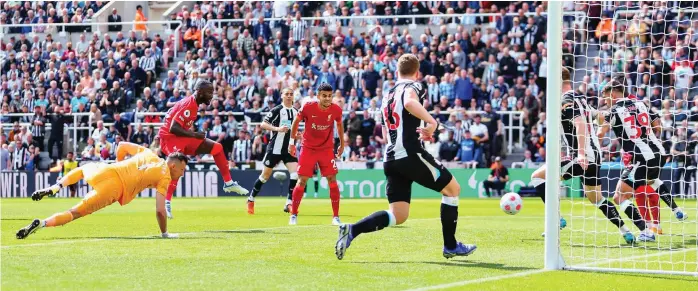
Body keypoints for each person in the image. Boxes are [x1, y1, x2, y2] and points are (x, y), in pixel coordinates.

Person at [335, 54, 476, 260]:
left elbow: (385, 133)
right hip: (409, 154)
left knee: (398, 215)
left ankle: (352, 230)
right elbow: (410, 102)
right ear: (417, 72)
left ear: (396, 71)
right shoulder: (415, 86)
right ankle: (451, 245)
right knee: (453, 189)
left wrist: (415, 128)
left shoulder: (387, 95)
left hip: (391, 159)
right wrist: (432, 123)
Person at [530, 67, 637, 243]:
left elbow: (579, 123)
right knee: (597, 198)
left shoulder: (565, 99)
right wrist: (607, 129)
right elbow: (600, 117)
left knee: (537, 178)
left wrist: (580, 153)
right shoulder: (579, 96)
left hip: (581, 156)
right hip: (595, 156)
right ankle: (626, 231)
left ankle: (556, 220)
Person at [17, 143, 187, 239]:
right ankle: (42, 223)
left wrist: (119, 163)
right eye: (182, 170)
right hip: (114, 189)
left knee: (83, 169)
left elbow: (121, 146)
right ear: (173, 165)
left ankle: (55, 187)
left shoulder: (149, 153)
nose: (181, 174)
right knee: (75, 212)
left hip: (107, 170)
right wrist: (165, 233)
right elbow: (159, 210)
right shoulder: (165, 176)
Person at [598, 76, 686, 238]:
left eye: (605, 95)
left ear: (614, 93)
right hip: (659, 153)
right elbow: (657, 125)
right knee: (651, 183)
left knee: (619, 196)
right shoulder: (641, 103)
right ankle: (674, 210)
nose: (604, 99)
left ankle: (646, 231)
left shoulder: (614, 111)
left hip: (641, 158)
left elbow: (600, 133)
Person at [158, 80, 248, 219]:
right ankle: (166, 203)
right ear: (200, 92)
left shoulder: (193, 103)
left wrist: (193, 134)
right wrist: (194, 134)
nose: (211, 96)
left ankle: (228, 183)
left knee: (217, 148)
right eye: (209, 93)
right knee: (177, 165)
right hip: (169, 138)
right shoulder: (189, 104)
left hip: (180, 136)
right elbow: (173, 128)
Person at [288, 83, 345, 225]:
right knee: (302, 180)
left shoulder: (336, 110)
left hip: (326, 149)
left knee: (332, 179)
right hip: (308, 148)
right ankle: (294, 214)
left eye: (330, 96)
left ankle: (336, 217)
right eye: (324, 96)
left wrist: (342, 145)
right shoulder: (308, 107)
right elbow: (296, 121)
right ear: (318, 96)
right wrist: (291, 142)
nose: (327, 99)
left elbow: (339, 125)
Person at [247, 89, 299, 214]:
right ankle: (251, 199)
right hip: (274, 148)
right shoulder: (277, 110)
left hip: (287, 149)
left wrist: (298, 135)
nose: (289, 96)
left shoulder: (296, 112)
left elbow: (293, 130)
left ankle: (289, 203)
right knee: (265, 177)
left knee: (295, 174)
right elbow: (263, 124)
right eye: (286, 94)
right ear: (282, 96)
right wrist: (278, 129)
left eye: (291, 94)